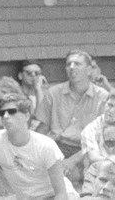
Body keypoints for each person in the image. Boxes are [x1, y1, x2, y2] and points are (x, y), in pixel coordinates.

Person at [35, 50, 110, 188]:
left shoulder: (102, 98)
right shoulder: (53, 93)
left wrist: (72, 161)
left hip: (86, 151)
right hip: (56, 146)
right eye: (69, 64)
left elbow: (102, 140)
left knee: (70, 178)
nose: (72, 67)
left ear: (89, 70)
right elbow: (43, 126)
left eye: (77, 64)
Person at [0, 92, 78, 199]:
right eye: (2, 113)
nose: (6, 116)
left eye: (11, 112)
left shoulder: (45, 146)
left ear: (26, 116)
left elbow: (61, 194)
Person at [80, 94, 115, 198]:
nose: (112, 110)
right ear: (105, 104)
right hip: (96, 179)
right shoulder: (90, 129)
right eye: (110, 105)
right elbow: (93, 158)